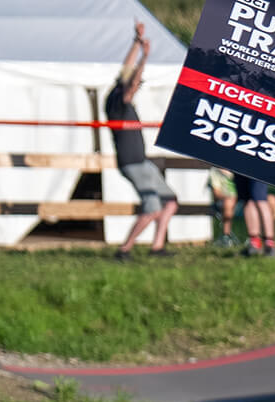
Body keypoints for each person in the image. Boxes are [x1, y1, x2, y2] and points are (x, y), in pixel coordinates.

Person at [106, 20, 178, 260]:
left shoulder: (117, 91)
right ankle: (124, 249)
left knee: (169, 202)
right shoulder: (118, 102)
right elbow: (132, 82)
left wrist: (137, 43)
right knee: (153, 208)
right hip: (133, 163)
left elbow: (127, 72)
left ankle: (157, 247)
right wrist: (145, 58)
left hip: (141, 161)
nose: (137, 89)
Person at [236, 173, 275, 257]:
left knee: (260, 200)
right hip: (240, 163)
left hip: (256, 163)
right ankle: (254, 243)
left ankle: (269, 244)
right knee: (247, 200)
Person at [208, 166, 238, 248]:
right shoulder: (215, 170)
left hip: (240, 201)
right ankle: (226, 235)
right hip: (224, 202)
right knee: (228, 202)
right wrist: (231, 198)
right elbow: (216, 194)